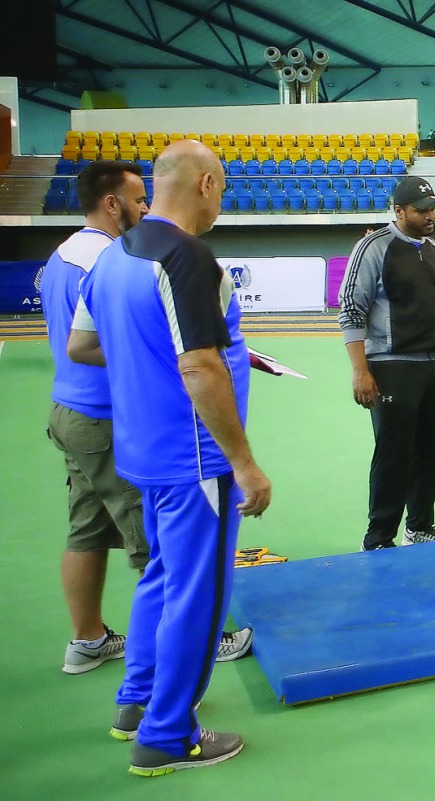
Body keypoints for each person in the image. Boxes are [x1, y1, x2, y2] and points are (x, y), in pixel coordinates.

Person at [68, 139, 271, 776]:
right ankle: (166, 734)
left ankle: (135, 701)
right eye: (224, 187)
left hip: (144, 449)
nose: (223, 200)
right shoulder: (186, 258)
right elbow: (200, 365)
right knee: (200, 592)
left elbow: (85, 344)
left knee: (162, 576)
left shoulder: (110, 258)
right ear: (207, 183)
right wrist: (244, 463)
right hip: (195, 459)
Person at [42, 161, 150, 674]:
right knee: (152, 533)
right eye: (139, 199)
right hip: (106, 420)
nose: (146, 208)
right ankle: (197, 640)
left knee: (86, 531)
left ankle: (87, 641)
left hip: (69, 412)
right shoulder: (109, 260)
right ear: (113, 204)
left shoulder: (62, 254)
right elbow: (93, 345)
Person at [339, 175, 435, 550]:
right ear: (399, 211)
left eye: (433, 209)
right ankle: (378, 535)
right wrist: (361, 370)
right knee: (393, 453)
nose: (430, 216)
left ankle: (421, 526)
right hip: (392, 366)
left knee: (430, 450)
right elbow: (351, 310)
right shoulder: (373, 248)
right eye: (422, 210)